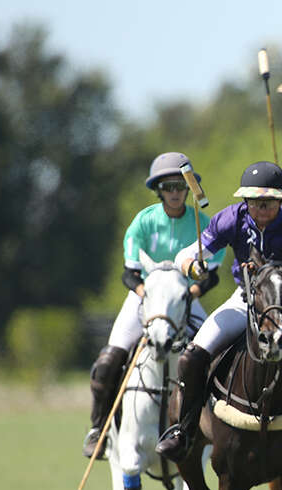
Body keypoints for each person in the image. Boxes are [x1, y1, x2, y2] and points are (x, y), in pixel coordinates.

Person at [155, 161, 282, 463]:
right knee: (191, 357)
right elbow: (188, 254)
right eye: (256, 202)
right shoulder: (229, 220)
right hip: (243, 301)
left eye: (270, 202)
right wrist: (193, 266)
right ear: (245, 200)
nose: (262, 208)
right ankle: (185, 431)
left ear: (281, 202)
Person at [82, 152, 225, 459]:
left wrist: (192, 291)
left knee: (213, 356)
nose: (175, 192)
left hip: (184, 300)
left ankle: (214, 426)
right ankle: (98, 428)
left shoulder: (203, 224)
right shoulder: (144, 221)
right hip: (144, 300)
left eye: (179, 186)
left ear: (188, 189)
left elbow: (212, 274)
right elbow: (129, 272)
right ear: (159, 190)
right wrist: (148, 293)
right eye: (168, 186)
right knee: (109, 360)